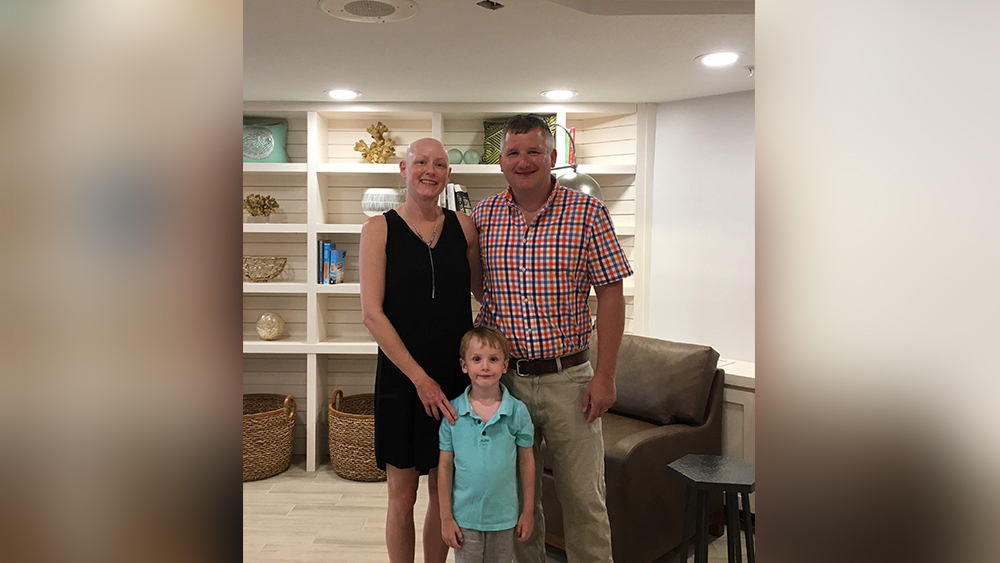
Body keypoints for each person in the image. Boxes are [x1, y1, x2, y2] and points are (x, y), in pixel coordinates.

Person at [470, 115, 633, 563]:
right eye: (514, 153)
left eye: (533, 152)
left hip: (570, 382)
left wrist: (606, 375)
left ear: (552, 158)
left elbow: (612, 295)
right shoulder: (483, 216)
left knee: (584, 500)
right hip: (505, 385)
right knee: (519, 504)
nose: (524, 161)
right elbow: (481, 287)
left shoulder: (588, 213)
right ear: (501, 162)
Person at [360, 137, 483, 563]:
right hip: (402, 377)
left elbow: (484, 291)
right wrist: (419, 379)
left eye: (439, 164)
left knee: (442, 490)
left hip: (452, 375)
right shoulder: (379, 229)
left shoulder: (465, 227)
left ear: (448, 174)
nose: (430, 170)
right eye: (421, 162)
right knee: (402, 492)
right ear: (403, 168)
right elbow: (372, 315)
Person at [438, 326, 535, 563]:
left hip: (504, 519)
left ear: (504, 366)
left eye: (493, 359)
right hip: (465, 520)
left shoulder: (517, 412)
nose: (484, 366)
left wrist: (528, 512)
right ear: (464, 366)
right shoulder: (453, 413)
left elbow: (527, 461)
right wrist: (446, 518)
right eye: (476, 359)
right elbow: (444, 467)